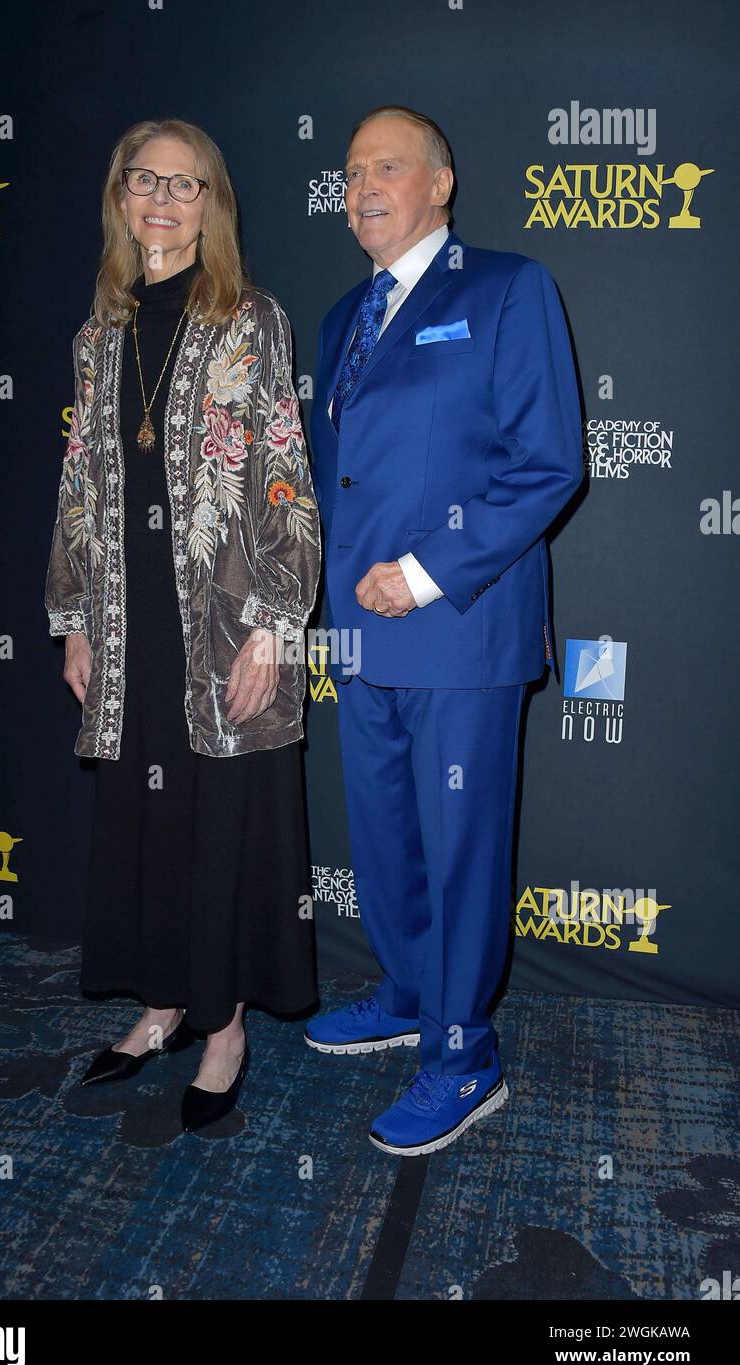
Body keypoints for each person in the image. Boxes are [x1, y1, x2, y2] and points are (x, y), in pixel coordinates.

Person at [306, 106, 582, 1156]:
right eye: (348, 173)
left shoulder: (507, 289)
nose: (362, 186)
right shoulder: (343, 317)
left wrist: (422, 575)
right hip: (360, 639)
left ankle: (463, 1054)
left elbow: (548, 463)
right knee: (383, 843)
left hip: (457, 629)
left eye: (386, 166)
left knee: (459, 849)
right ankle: (414, 994)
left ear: (441, 181)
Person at [44, 118, 321, 1132]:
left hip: (221, 624)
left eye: (185, 184)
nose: (163, 200)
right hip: (129, 631)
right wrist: (75, 619)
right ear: (121, 197)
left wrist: (273, 627)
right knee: (150, 822)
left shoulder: (250, 319)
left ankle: (223, 1028)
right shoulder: (95, 337)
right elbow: (78, 486)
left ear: (212, 204)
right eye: (145, 181)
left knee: (222, 827)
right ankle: (160, 1005)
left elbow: (284, 481)